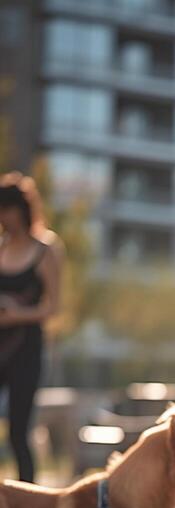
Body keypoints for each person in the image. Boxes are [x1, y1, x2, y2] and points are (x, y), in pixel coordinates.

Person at [0, 172, 62, 483]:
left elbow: (53, 307)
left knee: (18, 432)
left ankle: (28, 496)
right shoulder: (1, 248)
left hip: (26, 352)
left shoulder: (46, 249)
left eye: (9, 209)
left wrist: (17, 315)